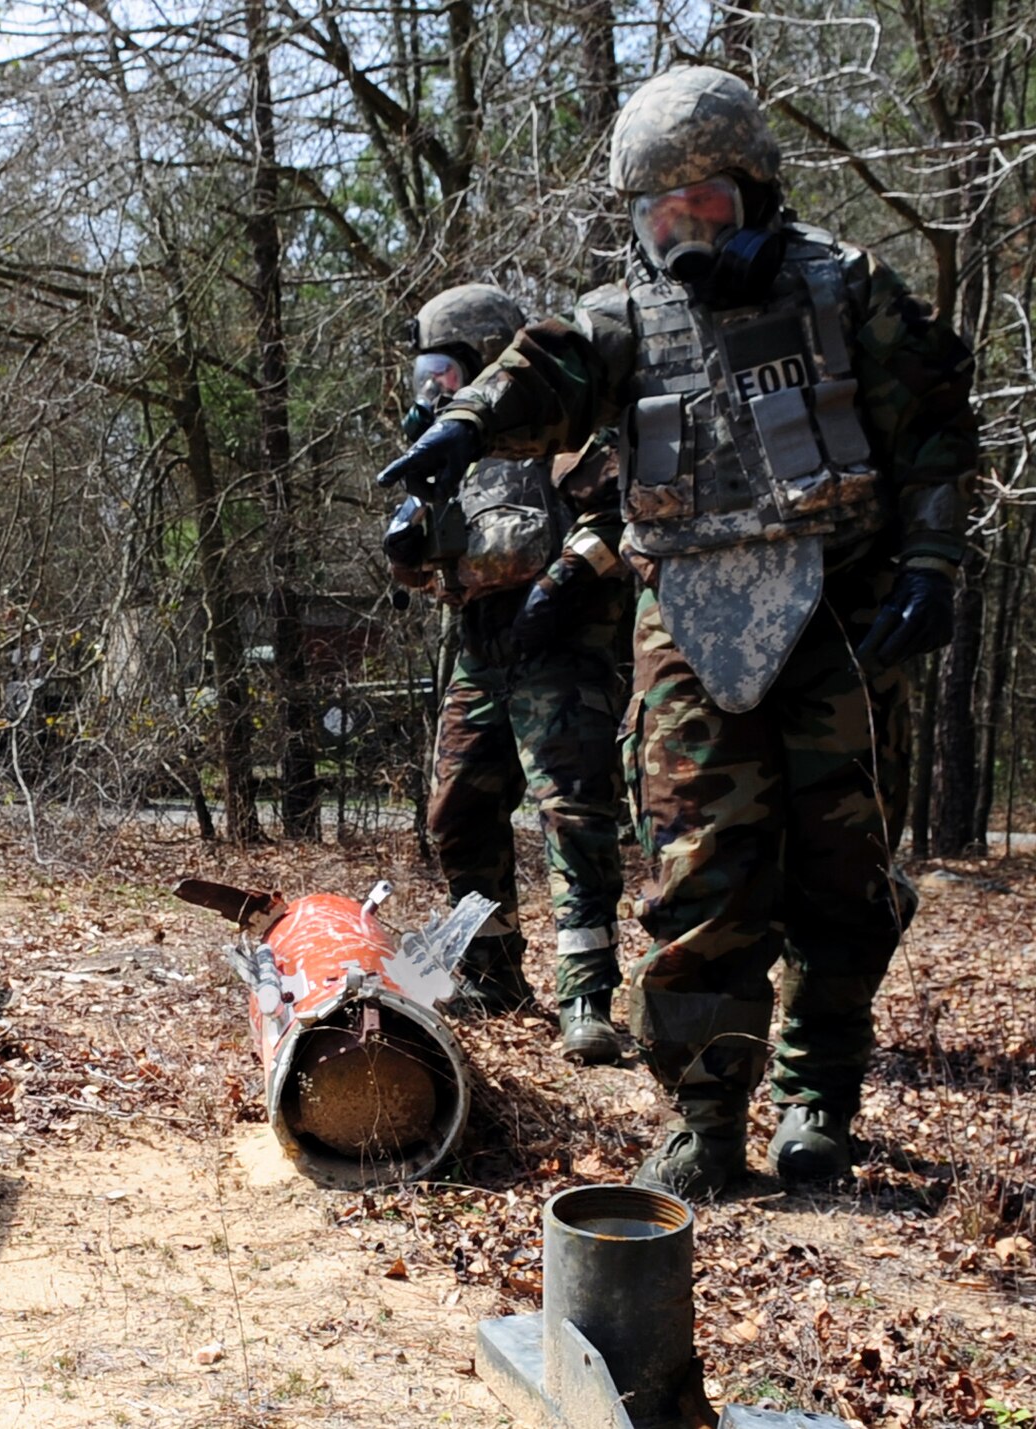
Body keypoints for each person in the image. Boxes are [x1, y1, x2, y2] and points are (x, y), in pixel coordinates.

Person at [378, 66, 977, 1197]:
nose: (683, 229)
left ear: (752, 190)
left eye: (705, 204)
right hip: (689, 628)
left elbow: (936, 432)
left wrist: (934, 563)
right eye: (660, 212)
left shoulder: (845, 293)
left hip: (839, 619)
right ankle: (704, 1115)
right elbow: (542, 366)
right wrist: (460, 426)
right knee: (697, 881)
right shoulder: (624, 319)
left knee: (843, 876)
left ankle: (815, 1102)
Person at [381, 283, 631, 1066]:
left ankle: (585, 995)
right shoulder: (447, 453)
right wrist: (410, 556)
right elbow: (436, 571)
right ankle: (491, 969)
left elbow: (615, 516)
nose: (435, 385)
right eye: (429, 370)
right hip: (482, 649)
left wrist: (563, 583)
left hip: (561, 645)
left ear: (486, 351)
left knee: (573, 817)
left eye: (447, 367)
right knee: (457, 812)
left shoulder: (560, 429)